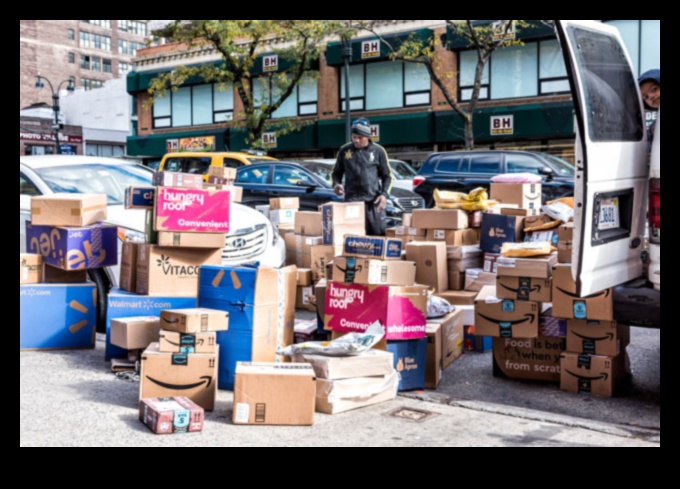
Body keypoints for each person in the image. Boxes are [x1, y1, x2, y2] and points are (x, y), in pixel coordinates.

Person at [331, 117, 394, 236]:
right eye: (354, 137)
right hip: (351, 202)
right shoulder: (344, 151)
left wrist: (384, 195)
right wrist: (336, 184)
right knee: (351, 237)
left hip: (372, 202)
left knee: (377, 235)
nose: (356, 140)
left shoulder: (378, 151)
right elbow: (335, 173)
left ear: (368, 136)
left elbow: (388, 176)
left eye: (360, 137)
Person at [638, 69, 660, 140]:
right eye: (646, 97)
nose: (651, 96)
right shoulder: (654, 127)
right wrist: (652, 132)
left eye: (654, 89)